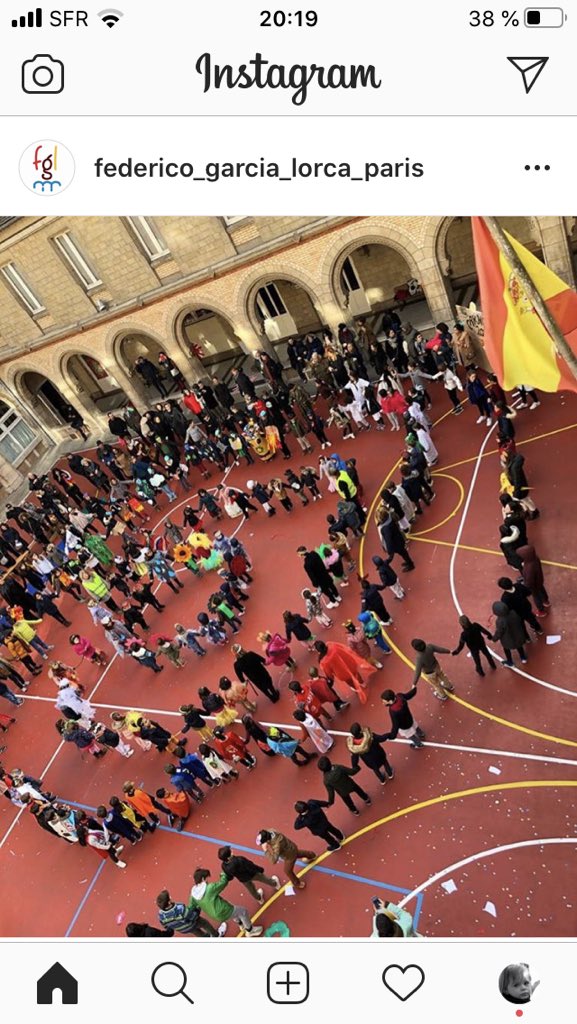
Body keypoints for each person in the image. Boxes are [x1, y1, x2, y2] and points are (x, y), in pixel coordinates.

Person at [188, 867, 263, 936]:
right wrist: (223, 874)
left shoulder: (193, 894)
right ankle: (250, 930)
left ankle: (241, 924)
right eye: (207, 878)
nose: (207, 881)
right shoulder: (209, 888)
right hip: (222, 910)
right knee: (243, 912)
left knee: (234, 912)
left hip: (214, 914)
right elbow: (223, 883)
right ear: (203, 879)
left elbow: (191, 907)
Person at [315, 639, 376, 705]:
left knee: (349, 681)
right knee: (356, 673)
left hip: (341, 673)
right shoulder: (331, 644)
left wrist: (330, 678)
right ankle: (362, 683)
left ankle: (357, 689)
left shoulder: (324, 661)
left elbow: (329, 673)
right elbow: (343, 647)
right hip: (349, 663)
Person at [491, 601, 529, 667]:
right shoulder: (513, 613)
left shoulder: (500, 621)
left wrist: (494, 639)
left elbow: (499, 632)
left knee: (507, 649)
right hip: (518, 635)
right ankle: (523, 658)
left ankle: (510, 661)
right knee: (519, 646)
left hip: (507, 639)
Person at [518, 545, 550, 615]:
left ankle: (541, 610)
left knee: (536, 596)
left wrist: (525, 585)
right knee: (541, 589)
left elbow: (529, 581)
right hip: (539, 580)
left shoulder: (529, 568)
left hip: (533, 586)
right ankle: (546, 601)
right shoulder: (535, 558)